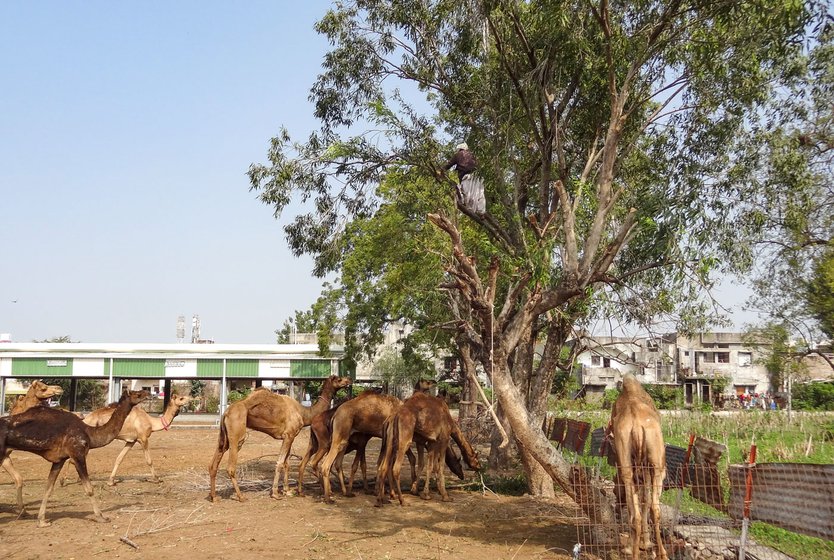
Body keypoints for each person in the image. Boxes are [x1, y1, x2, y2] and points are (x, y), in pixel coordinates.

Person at [444, 142, 485, 213]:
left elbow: (449, 164)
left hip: (465, 176)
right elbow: (479, 165)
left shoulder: (458, 154)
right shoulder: (473, 155)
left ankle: (469, 207)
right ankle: (482, 212)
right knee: (480, 194)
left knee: (466, 194)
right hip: (477, 177)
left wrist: (441, 170)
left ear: (460, 149)